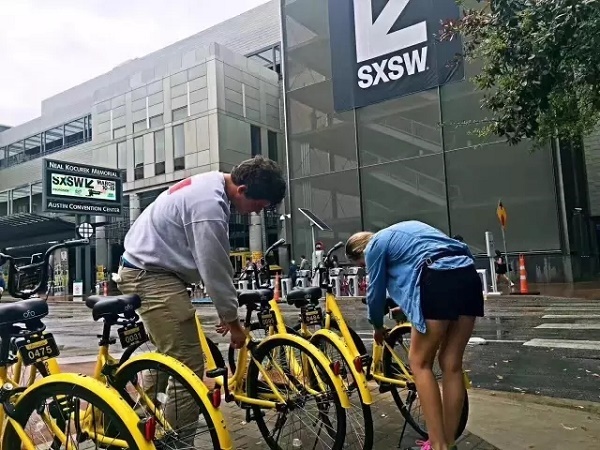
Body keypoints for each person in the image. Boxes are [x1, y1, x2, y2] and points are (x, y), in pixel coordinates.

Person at [116, 155, 286, 441]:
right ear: (242, 190)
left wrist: (225, 311)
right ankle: (176, 444)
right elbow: (214, 267)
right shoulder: (209, 206)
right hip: (150, 275)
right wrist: (233, 322)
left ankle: (134, 426)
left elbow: (211, 267)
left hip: (151, 270)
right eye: (258, 205)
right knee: (188, 367)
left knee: (168, 356)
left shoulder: (212, 184)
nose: (256, 212)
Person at [345, 221, 484, 450]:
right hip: (467, 277)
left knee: (419, 363)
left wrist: (377, 326)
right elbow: (421, 266)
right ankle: (448, 444)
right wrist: (409, 304)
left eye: (362, 265)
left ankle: (437, 445)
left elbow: (375, 293)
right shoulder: (409, 230)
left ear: (359, 254)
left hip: (437, 280)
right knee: (451, 364)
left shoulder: (374, 246)